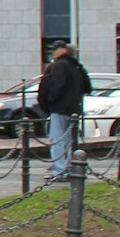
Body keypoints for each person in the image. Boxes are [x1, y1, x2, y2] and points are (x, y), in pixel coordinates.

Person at [36, 41, 91, 180]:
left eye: (55, 49)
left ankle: (59, 170)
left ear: (63, 50)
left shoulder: (60, 65)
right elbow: (87, 87)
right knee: (69, 140)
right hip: (74, 108)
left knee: (57, 140)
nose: (53, 52)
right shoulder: (77, 66)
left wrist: (51, 100)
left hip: (59, 108)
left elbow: (57, 85)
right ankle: (70, 167)